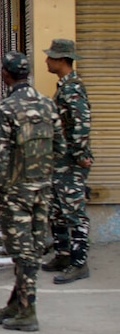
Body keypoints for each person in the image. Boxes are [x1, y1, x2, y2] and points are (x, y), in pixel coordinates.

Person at [0, 51, 65, 332]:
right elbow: (60, 149)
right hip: (43, 190)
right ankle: (16, 303)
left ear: (5, 74)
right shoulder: (47, 105)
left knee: (23, 252)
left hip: (16, 192)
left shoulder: (6, 109)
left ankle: (28, 311)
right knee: (32, 249)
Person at [42, 39, 93, 284]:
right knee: (57, 210)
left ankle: (79, 262)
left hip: (70, 162)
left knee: (74, 212)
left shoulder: (72, 88)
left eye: (50, 57)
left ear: (61, 60)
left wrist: (80, 155)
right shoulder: (64, 86)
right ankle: (62, 254)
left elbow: (81, 122)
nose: (46, 61)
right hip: (60, 160)